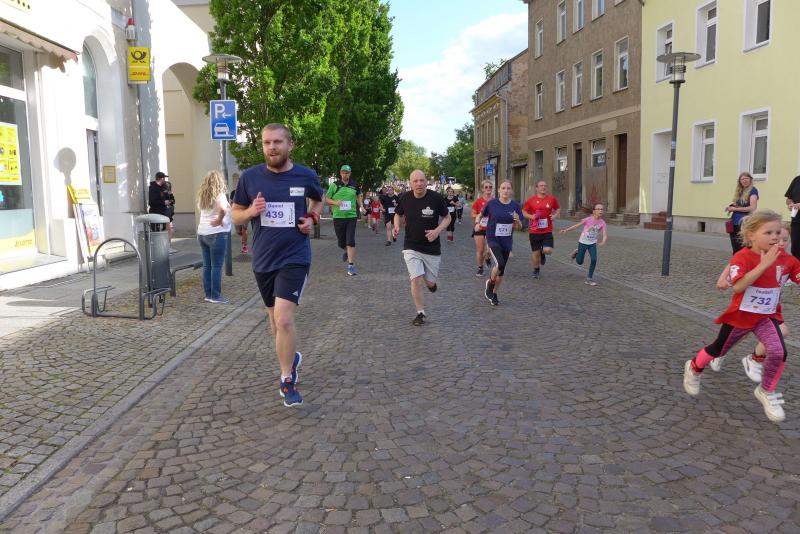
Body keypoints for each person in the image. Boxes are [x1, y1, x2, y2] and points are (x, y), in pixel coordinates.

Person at [231, 123, 323, 408]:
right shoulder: (250, 177)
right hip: (263, 259)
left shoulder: (305, 175)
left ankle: (287, 379)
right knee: (274, 321)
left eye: (277, 142)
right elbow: (235, 215)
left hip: (295, 256)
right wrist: (251, 211)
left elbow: (318, 201)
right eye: (267, 142)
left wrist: (312, 219)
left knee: (283, 319)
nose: (272, 147)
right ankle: (291, 357)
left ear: (290, 145)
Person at [683, 210, 800, 423]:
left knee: (778, 351)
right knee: (718, 349)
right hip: (740, 316)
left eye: (778, 232)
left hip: (766, 316)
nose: (775, 237)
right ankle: (694, 367)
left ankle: (766, 390)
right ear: (751, 235)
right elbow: (738, 286)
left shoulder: (787, 259)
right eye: (768, 233)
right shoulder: (743, 257)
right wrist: (764, 265)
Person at [711, 223, 792, 383]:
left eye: (785, 239)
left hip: (770, 307)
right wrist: (723, 277)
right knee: (739, 334)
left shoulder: (788, 260)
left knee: (781, 332)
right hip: (748, 303)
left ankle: (754, 358)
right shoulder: (759, 252)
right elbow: (735, 261)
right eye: (778, 239)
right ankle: (721, 352)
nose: (781, 243)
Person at [393, 169, 451, 326]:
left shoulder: (436, 198)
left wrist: (437, 231)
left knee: (430, 283)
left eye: (421, 180)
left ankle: (431, 283)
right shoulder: (405, 198)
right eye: (415, 181)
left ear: (426, 182)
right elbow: (397, 214)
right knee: (416, 278)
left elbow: (447, 218)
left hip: (432, 248)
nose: (419, 183)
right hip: (411, 245)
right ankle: (420, 312)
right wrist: (396, 226)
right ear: (410, 183)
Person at [481, 180, 523, 306]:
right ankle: (490, 284)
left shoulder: (515, 206)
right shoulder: (492, 204)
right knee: (500, 263)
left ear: (511, 191)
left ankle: (494, 293)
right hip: (493, 238)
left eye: (508, 188)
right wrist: (477, 223)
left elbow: (520, 227)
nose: (506, 190)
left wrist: (517, 221)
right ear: (498, 190)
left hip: (506, 241)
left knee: (501, 271)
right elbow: (482, 215)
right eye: (503, 188)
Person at [196, 170, 231, 304]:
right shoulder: (220, 195)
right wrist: (219, 219)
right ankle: (215, 296)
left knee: (207, 265)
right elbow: (222, 209)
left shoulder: (202, 196)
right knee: (216, 266)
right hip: (216, 233)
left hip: (202, 233)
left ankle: (208, 294)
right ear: (219, 182)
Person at [325, 164, 362, 276]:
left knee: (350, 240)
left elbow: (359, 196)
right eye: (343, 172)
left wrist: (362, 206)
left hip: (351, 216)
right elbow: (327, 198)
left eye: (347, 173)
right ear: (340, 173)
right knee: (341, 242)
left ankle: (351, 266)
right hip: (338, 217)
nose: (345, 174)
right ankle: (345, 249)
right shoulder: (334, 185)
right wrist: (335, 202)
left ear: (350, 174)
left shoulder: (354, 185)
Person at [559, 203, 608, 286]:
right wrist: (566, 230)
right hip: (582, 242)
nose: (600, 211)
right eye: (598, 209)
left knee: (594, 259)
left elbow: (605, 235)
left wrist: (603, 241)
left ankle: (589, 279)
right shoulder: (588, 220)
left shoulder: (602, 223)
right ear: (594, 211)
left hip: (592, 243)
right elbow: (576, 226)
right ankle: (577, 252)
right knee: (579, 262)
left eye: (602, 209)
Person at [523, 180, 560, 279]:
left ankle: (543, 253)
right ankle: (536, 270)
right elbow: (524, 211)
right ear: (536, 188)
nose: (543, 187)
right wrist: (531, 216)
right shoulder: (531, 200)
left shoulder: (552, 199)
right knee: (535, 253)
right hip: (534, 231)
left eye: (545, 186)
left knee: (548, 250)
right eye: (541, 186)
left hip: (547, 230)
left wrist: (555, 215)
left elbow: (558, 208)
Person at [726, 171, 758, 254]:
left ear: (750, 179)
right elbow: (739, 205)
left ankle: (744, 261)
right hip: (734, 222)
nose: (744, 180)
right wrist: (731, 207)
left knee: (742, 246)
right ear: (740, 181)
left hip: (744, 222)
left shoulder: (753, 190)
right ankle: (736, 261)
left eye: (746, 178)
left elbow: (752, 207)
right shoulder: (741, 191)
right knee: (735, 246)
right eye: (742, 179)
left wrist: (735, 209)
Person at [148, 171, 177, 252]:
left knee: (169, 230)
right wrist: (163, 202)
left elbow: (172, 200)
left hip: (166, 213)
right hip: (156, 214)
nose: (165, 180)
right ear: (161, 178)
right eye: (164, 178)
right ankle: (159, 250)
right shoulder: (153, 188)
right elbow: (151, 202)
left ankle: (167, 247)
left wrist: (170, 199)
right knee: (158, 232)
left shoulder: (165, 187)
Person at [471, 180, 494, 276]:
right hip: (480, 228)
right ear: (482, 189)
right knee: (480, 250)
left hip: (492, 228)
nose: (488, 188)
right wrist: (481, 215)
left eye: (490, 187)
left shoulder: (495, 201)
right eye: (486, 187)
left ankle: (487, 257)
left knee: (490, 249)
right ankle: (480, 268)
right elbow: (472, 215)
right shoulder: (478, 201)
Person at [231, 172, 248, 254]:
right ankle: (243, 239)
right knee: (239, 232)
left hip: (245, 214)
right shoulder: (233, 192)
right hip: (236, 214)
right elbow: (231, 202)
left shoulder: (245, 191)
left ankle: (244, 246)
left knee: (244, 230)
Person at [784, 174, 800, 259]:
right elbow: (788, 198)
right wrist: (790, 203)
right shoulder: (797, 179)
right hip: (796, 220)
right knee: (795, 248)